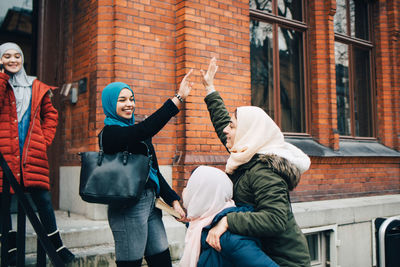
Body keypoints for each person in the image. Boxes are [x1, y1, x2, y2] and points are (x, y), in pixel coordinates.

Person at [200, 57, 311, 267]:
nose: (226, 130)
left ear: (247, 133)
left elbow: (275, 220)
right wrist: (210, 89)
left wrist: (228, 221)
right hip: (261, 255)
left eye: (233, 127)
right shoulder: (247, 153)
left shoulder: (264, 172)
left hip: (283, 262)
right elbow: (223, 122)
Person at [100, 70, 192, 267]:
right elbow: (144, 129)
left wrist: (173, 200)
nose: (129, 104)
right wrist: (178, 99)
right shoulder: (110, 134)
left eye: (131, 99)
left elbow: (154, 172)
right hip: (127, 208)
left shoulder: (138, 135)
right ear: (110, 103)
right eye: (122, 100)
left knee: (162, 262)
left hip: (151, 204)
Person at [0, 42, 75, 264]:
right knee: (3, 201)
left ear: (22, 59)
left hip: (31, 152)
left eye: (17, 56)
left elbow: (50, 116)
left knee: (43, 199)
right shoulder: (1, 84)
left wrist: (44, 141)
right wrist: (2, 78)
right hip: (5, 153)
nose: (13, 60)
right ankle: (10, 249)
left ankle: (57, 247)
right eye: (6, 56)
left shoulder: (37, 86)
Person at [180, 165, 279, 267]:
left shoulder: (228, 238)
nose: (185, 190)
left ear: (201, 194)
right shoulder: (199, 226)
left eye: (190, 187)